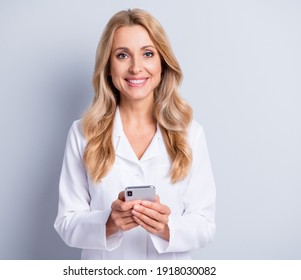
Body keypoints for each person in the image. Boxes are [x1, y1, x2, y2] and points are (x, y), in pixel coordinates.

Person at [54, 8, 216, 260]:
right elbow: (66, 223)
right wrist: (109, 223)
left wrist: (166, 227)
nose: (136, 67)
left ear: (162, 62)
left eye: (148, 54)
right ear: (108, 66)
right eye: (122, 55)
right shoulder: (82, 133)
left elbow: (205, 224)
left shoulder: (190, 134)